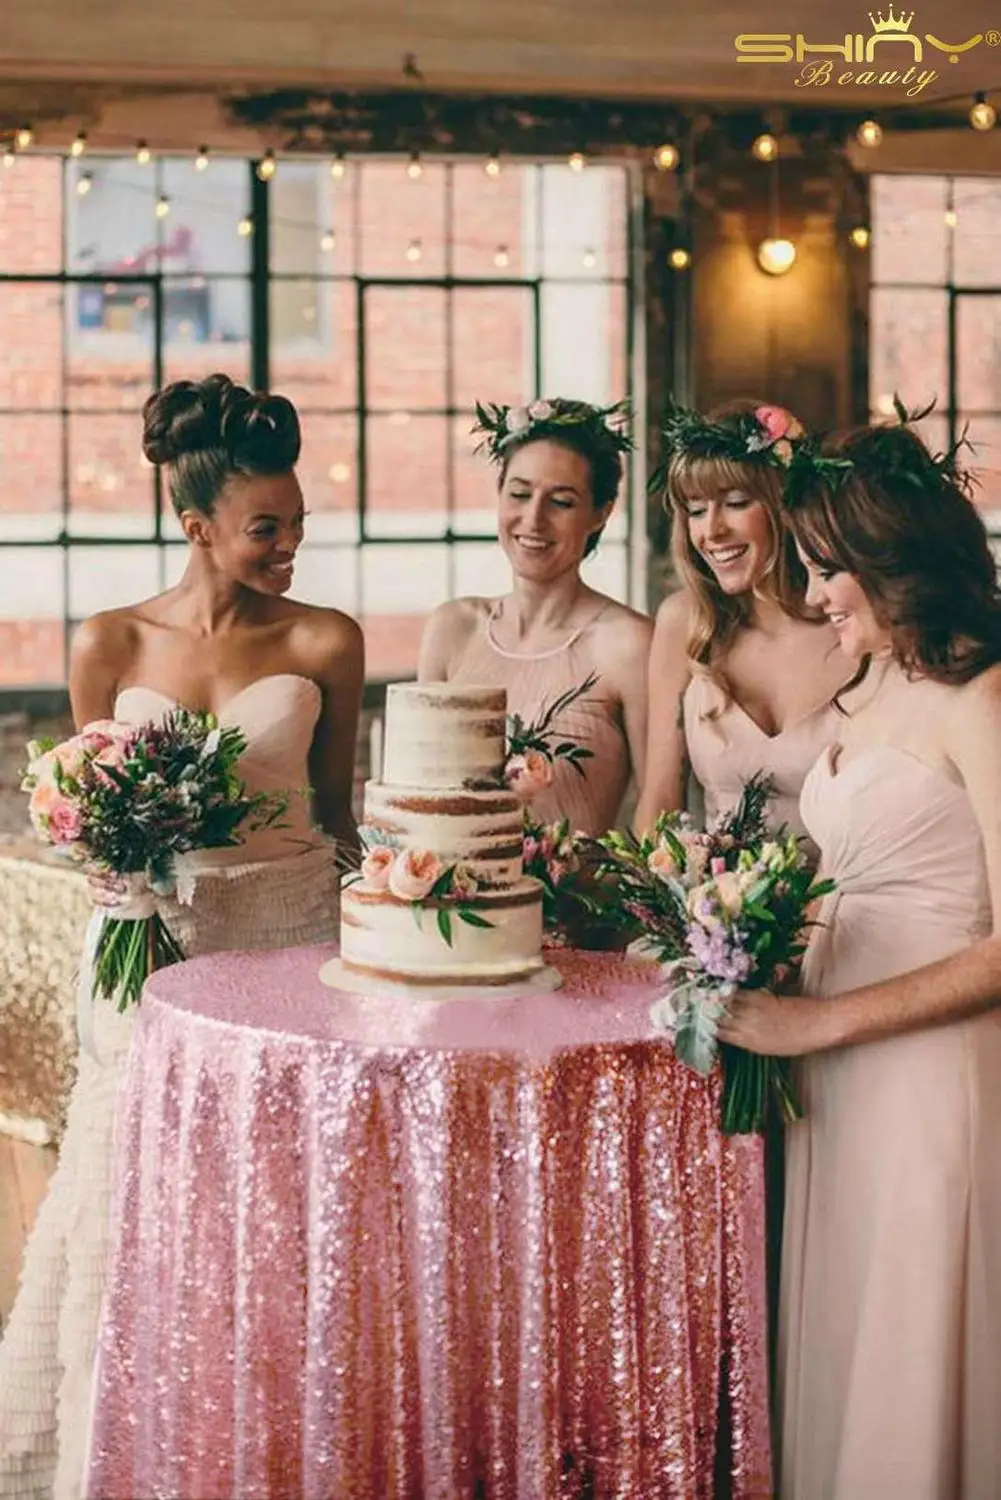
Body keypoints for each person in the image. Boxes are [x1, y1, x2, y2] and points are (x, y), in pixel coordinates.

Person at [0, 373, 363, 1500]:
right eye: (267, 528)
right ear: (194, 523)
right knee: (135, 1195)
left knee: (274, 1205)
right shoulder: (108, 641)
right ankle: (135, 1442)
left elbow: (340, 815)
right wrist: (120, 860)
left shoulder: (326, 638)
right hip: (147, 955)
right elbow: (88, 805)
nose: (291, 544)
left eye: (299, 523)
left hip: (291, 947)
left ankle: (280, 1441)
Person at [720, 419, 1001, 1498]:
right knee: (844, 1322)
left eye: (830, 567)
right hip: (831, 1071)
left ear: (895, 566)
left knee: (912, 1336)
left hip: (926, 1067)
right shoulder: (867, 688)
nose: (813, 591)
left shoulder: (980, 699)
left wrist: (816, 1023)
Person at [418, 396, 651, 838]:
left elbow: (658, 812)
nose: (533, 518)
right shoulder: (452, 627)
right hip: (447, 899)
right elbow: (420, 794)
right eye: (520, 494)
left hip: (579, 904)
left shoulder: (628, 645)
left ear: (601, 513)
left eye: (561, 502)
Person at [635, 399, 848, 841]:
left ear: (784, 507)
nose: (711, 531)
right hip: (719, 904)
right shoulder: (684, 624)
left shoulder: (851, 624)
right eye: (695, 510)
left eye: (734, 502)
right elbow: (659, 804)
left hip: (850, 901)